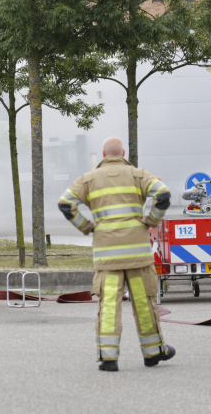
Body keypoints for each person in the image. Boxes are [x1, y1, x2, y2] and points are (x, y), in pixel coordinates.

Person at [57, 137, 175, 372]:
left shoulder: (88, 179)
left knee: (109, 304)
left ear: (103, 154)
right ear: (123, 153)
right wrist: (151, 221)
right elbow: (163, 195)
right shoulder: (138, 174)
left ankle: (109, 358)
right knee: (144, 303)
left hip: (107, 256)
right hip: (138, 254)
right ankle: (152, 353)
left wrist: (87, 227)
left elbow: (64, 204)